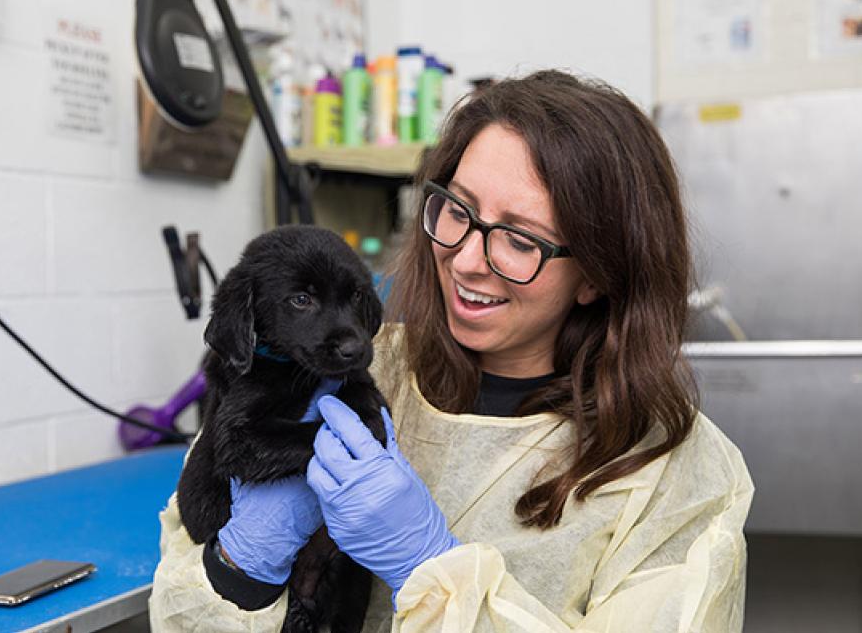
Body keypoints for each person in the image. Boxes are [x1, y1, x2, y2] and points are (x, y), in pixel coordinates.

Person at [149, 69, 754, 632]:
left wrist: (427, 564)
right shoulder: (335, 369)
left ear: (597, 271)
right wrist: (242, 565)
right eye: (457, 210)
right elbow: (180, 608)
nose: (464, 260)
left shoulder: (677, 478)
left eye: (519, 239)